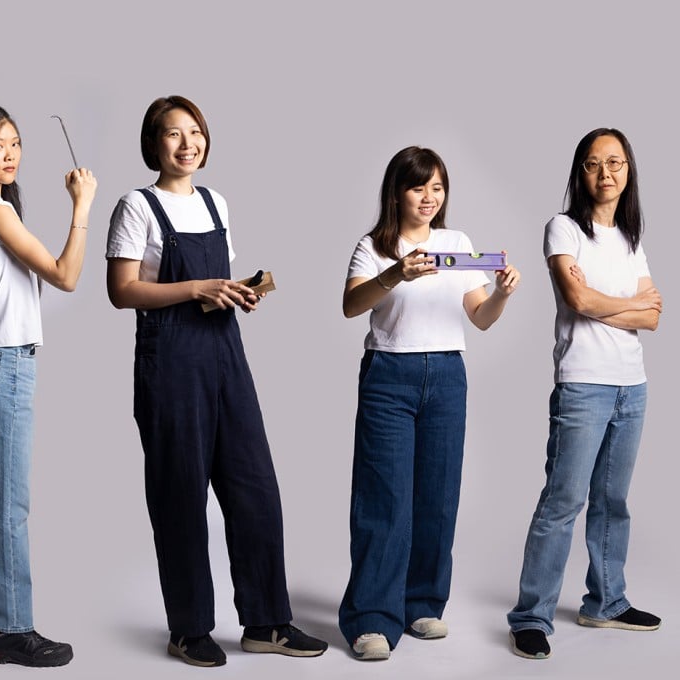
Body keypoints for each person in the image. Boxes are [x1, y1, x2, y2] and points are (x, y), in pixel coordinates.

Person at [106, 95, 327, 668]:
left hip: (226, 352)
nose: (188, 144)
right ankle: (188, 629)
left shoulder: (214, 201)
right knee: (180, 495)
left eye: (196, 132)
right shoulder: (135, 206)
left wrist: (236, 290)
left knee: (255, 489)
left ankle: (266, 622)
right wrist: (198, 288)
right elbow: (122, 291)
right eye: (174, 134)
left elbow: (215, 280)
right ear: (153, 144)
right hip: (170, 361)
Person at [338, 146, 520, 661]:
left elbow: (480, 317)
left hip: (446, 374)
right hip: (389, 375)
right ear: (397, 191)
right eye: (418, 187)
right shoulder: (374, 246)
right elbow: (351, 305)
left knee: (438, 495)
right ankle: (371, 618)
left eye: (437, 187)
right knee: (384, 497)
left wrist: (502, 292)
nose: (428, 197)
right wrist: (396, 273)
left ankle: (422, 603)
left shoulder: (457, 244)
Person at [0, 103, 96, 668]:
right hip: (4, 365)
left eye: (15, 143)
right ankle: (10, 628)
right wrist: (81, 208)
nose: (9, 154)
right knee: (7, 502)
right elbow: (67, 275)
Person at [507, 128, 662, 660]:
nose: (606, 173)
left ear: (628, 171)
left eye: (615, 163)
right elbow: (576, 300)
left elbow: (656, 315)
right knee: (564, 500)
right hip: (583, 385)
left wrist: (605, 302)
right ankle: (531, 616)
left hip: (631, 386)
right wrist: (625, 306)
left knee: (613, 502)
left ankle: (606, 602)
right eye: (595, 164)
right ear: (581, 172)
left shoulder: (631, 237)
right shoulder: (563, 230)